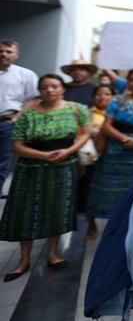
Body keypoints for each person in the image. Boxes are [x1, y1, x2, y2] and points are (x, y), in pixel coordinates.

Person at [0, 74, 90, 281]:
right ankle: (23, 260)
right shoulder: (28, 114)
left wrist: (69, 151)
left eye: (54, 86)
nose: (49, 90)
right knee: (25, 211)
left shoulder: (76, 109)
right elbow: (17, 145)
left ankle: (53, 253)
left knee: (56, 209)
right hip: (30, 168)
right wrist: (43, 156)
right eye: (44, 87)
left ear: (62, 89)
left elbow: (85, 133)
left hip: (63, 166)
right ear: (39, 90)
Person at [88, 69, 133, 220]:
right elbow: (106, 126)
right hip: (115, 151)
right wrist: (124, 139)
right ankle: (107, 221)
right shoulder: (118, 100)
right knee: (109, 189)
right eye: (132, 79)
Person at [0, 40, 38, 194]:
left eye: (8, 51)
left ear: (16, 55)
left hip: (7, 122)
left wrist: (17, 117)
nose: (3, 54)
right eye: (1, 51)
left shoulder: (26, 74)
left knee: (3, 161)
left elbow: (34, 98)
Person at [80, 84, 114, 240]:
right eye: (99, 94)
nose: (103, 97)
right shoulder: (86, 113)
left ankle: (114, 226)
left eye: (107, 94)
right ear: (94, 97)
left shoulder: (118, 113)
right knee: (89, 193)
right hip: (91, 159)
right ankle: (91, 226)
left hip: (113, 158)